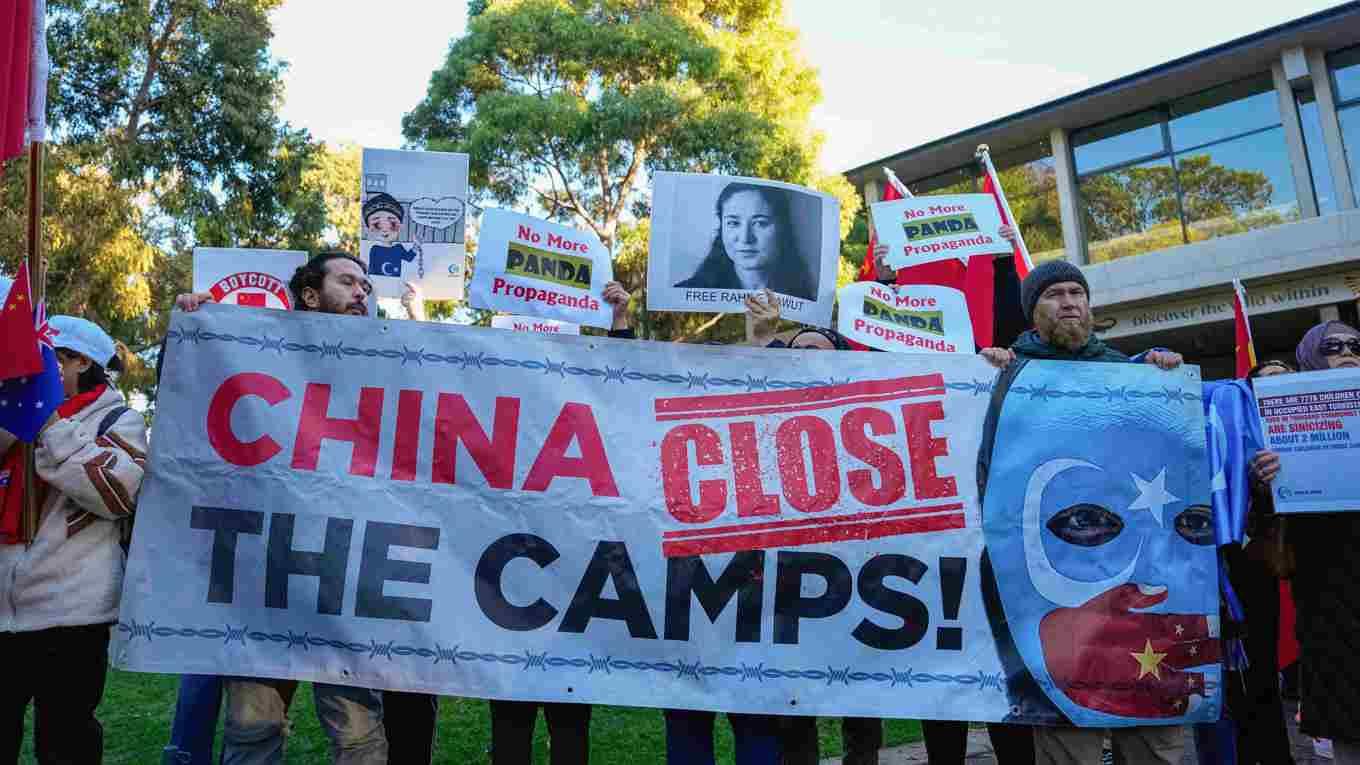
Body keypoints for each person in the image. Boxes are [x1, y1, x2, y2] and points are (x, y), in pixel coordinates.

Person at [175, 253, 393, 765]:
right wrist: (192, 334)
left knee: (358, 731)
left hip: (345, 581)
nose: (361, 291)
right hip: (262, 576)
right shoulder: (252, 354)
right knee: (254, 727)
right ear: (311, 295)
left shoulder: (392, 363)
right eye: (347, 281)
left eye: (365, 284)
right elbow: (187, 407)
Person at [978, 259, 1185, 765]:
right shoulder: (1006, 374)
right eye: (1054, 295)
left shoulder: (1127, 371)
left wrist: (1162, 377)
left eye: (1077, 292)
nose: (1069, 302)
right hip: (1051, 581)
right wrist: (979, 378)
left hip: (1135, 572)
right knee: (1071, 736)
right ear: (1032, 312)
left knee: (1152, 731)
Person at [487, 280, 634, 765]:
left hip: (574, 585)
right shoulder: (493, 405)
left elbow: (626, 385)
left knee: (570, 723)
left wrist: (620, 322)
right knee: (510, 722)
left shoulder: (588, 405)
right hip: (504, 591)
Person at [0, 316, 148, 764]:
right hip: (2, 618)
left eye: (41, 364)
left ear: (79, 362)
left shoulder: (121, 420)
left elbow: (116, 494)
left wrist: (48, 423)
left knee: (66, 744)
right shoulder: (11, 412)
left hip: (71, 619)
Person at [1250, 320, 1360, 764]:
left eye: (1356, 344)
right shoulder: (1284, 420)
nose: (1347, 351)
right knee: (1350, 720)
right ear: (1312, 357)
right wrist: (1264, 482)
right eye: (1332, 345)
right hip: (1331, 595)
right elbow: (1262, 521)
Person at [675, 182, 816, 301]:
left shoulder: (802, 297)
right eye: (734, 223)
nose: (745, 238)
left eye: (760, 223)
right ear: (721, 227)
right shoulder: (685, 293)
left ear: (782, 227)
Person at [363, 192, 422, 278]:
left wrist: (416, 245)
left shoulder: (398, 248)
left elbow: (409, 257)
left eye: (392, 224)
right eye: (377, 225)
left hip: (395, 284)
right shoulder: (375, 250)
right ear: (368, 228)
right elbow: (372, 267)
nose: (385, 230)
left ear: (400, 226)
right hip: (379, 283)